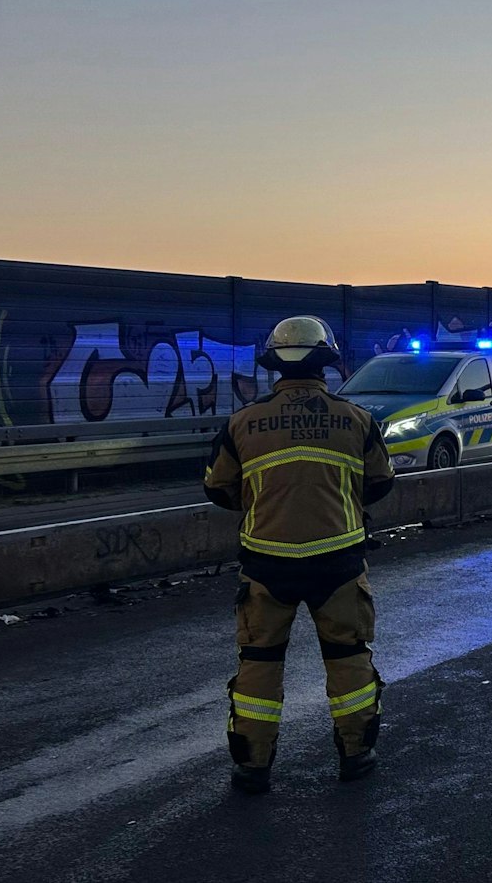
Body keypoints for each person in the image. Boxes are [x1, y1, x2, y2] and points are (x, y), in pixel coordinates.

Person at [203, 316, 393, 794]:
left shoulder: (242, 422)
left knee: (260, 661)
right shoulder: (356, 419)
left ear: (274, 365)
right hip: (339, 559)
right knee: (348, 657)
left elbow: (218, 488)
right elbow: (380, 483)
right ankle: (355, 753)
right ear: (326, 361)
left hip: (267, 563)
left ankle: (253, 766)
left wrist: (267, 506)